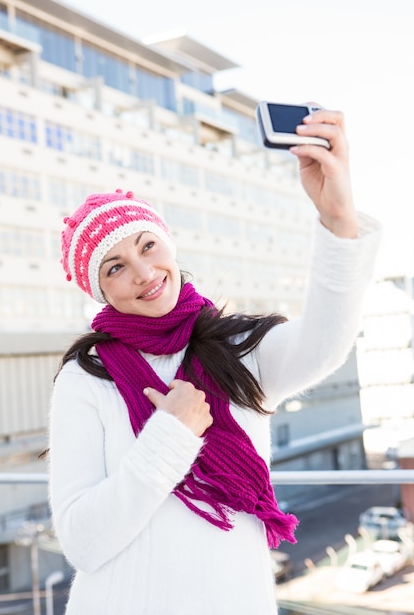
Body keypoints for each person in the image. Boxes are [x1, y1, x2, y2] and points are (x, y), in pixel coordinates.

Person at [48, 108, 381, 615]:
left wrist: (338, 221)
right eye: (116, 267)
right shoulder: (86, 376)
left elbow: (325, 344)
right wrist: (170, 437)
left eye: (148, 246)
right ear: (101, 290)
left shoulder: (238, 346)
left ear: (168, 244)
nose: (144, 272)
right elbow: (82, 542)